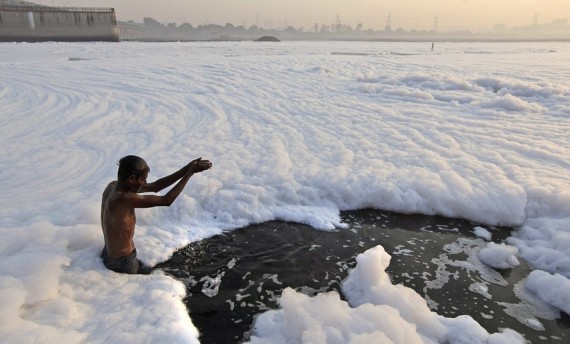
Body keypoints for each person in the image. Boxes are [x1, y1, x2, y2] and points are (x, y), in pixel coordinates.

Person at [100, 155, 212, 274]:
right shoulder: (123, 199)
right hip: (123, 263)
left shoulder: (113, 186)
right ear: (132, 179)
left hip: (108, 254)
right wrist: (189, 174)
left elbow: (156, 186)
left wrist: (188, 168)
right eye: (143, 179)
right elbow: (166, 200)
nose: (145, 183)